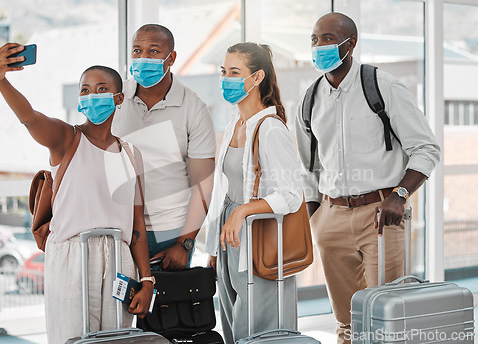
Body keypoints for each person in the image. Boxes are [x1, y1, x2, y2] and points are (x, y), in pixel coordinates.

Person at [0, 43, 154, 344]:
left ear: (118, 98)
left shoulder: (130, 154)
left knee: (117, 339)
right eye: (85, 90)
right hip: (72, 255)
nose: (92, 96)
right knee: (72, 338)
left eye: (101, 88)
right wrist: (1, 79)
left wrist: (146, 281)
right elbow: (28, 117)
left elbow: (138, 227)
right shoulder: (66, 139)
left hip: (119, 259)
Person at [294, 13, 441, 344]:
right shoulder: (310, 99)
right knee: (346, 321)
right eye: (315, 39)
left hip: (380, 215)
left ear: (351, 43)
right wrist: (312, 218)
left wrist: (400, 195)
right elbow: (309, 168)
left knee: (385, 315)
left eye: (329, 39)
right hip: (330, 218)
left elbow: (426, 149)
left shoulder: (382, 86)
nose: (319, 46)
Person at [204, 42, 303, 344]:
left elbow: (292, 195)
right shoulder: (235, 124)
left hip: (259, 240)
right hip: (231, 238)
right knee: (233, 324)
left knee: (260, 329)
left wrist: (244, 211)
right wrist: (213, 248)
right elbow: (225, 188)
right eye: (224, 72)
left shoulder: (271, 129)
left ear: (257, 77)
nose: (226, 79)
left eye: (235, 72)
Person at [112, 24, 216, 271]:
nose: (142, 58)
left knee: (164, 309)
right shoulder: (116, 98)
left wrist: (185, 243)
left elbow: (203, 184)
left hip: (169, 233)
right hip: (119, 227)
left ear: (171, 58)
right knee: (117, 308)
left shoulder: (194, 108)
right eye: (137, 51)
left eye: (153, 51)